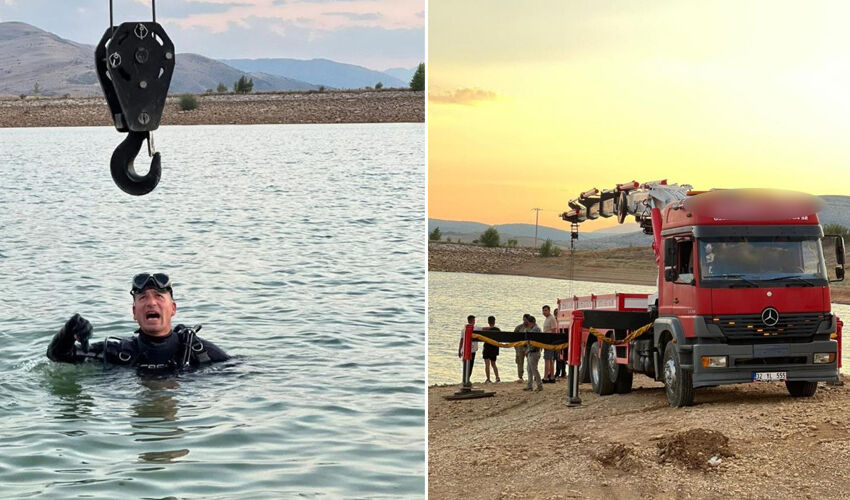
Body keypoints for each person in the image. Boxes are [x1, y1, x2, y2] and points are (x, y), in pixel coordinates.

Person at [47, 273, 230, 372]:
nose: (151, 303)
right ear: (134, 312)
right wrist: (68, 332)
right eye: (142, 298)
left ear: (173, 309)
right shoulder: (118, 352)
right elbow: (58, 356)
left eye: (159, 296)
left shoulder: (198, 352)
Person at [523, 315, 543, 392]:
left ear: (532, 322)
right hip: (531, 351)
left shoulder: (536, 329)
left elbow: (533, 343)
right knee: (529, 369)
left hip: (534, 352)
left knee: (534, 369)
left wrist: (528, 350)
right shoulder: (532, 329)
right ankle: (529, 385)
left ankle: (539, 385)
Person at [457, 315, 479, 382]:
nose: (474, 322)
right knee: (470, 366)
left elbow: (461, 340)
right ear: (472, 320)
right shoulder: (475, 328)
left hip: (464, 350)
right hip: (472, 350)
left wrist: (459, 350)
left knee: (465, 365)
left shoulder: (463, 329)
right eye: (474, 320)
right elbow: (484, 329)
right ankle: (467, 379)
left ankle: (465, 378)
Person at [481, 316, 500, 383]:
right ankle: (497, 377)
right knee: (493, 364)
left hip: (487, 348)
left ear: (488, 322)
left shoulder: (486, 330)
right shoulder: (497, 330)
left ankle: (488, 379)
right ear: (494, 322)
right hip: (494, 349)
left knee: (487, 364)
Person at [542, 305, 557, 383]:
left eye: (545, 310)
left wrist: (552, 342)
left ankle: (545, 377)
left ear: (549, 310)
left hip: (549, 341)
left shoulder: (552, 319)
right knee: (550, 360)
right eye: (543, 310)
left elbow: (554, 330)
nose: (544, 312)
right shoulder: (547, 319)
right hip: (546, 341)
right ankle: (551, 376)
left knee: (547, 359)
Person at [513, 314, 529, 383]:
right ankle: (520, 376)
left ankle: (530, 375)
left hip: (528, 347)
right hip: (519, 347)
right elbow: (513, 337)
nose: (525, 321)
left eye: (526, 320)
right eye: (524, 319)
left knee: (530, 362)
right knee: (519, 362)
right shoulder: (519, 327)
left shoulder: (531, 327)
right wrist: (515, 347)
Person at [554, 308, 567, 378]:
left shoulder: (562, 321)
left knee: (562, 357)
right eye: (556, 313)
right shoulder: (554, 321)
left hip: (561, 340)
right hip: (556, 340)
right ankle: (558, 372)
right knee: (557, 357)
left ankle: (563, 372)